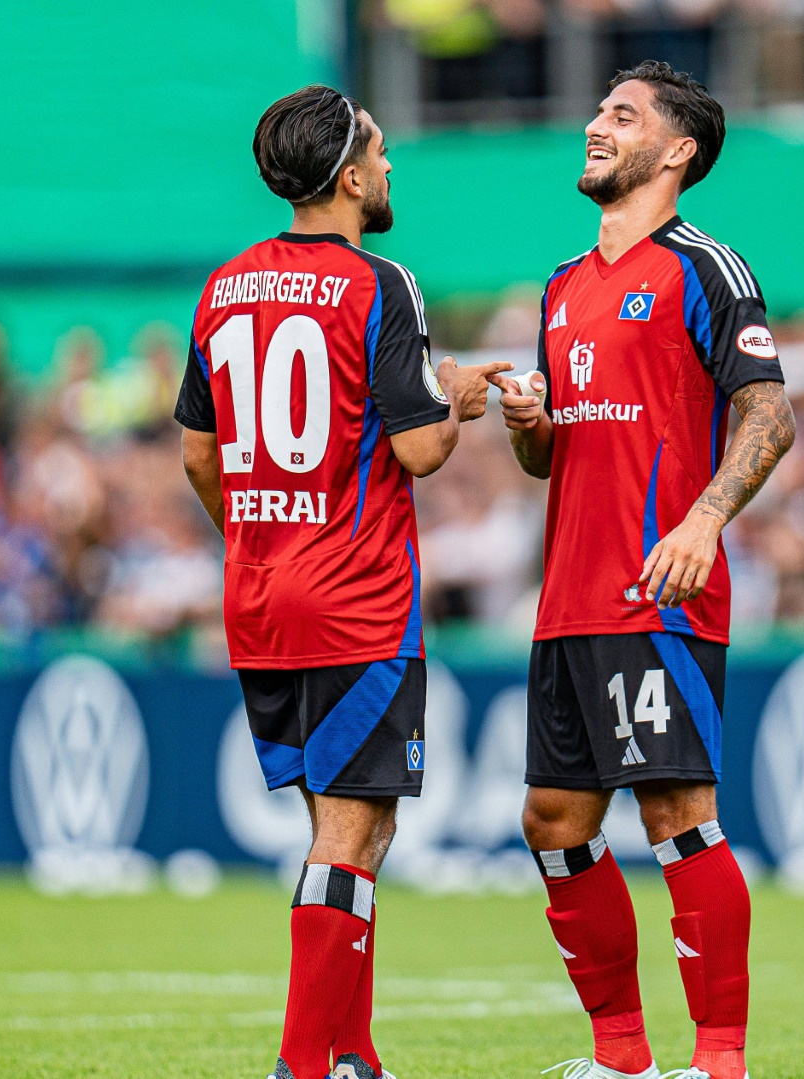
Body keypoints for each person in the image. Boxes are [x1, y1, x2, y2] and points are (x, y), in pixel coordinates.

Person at [175, 84, 509, 1079]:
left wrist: (259, 540)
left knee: (345, 819)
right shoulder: (384, 284)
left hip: (260, 591)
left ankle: (352, 1052)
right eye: (383, 149)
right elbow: (417, 453)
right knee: (353, 827)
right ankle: (302, 1065)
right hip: (358, 595)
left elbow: (199, 455)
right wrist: (456, 404)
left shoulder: (224, 285)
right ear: (351, 176)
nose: (394, 162)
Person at [492, 61, 796, 1079]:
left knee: (677, 814)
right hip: (567, 598)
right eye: (598, 110)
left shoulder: (705, 267)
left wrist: (706, 518)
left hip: (658, 593)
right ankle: (620, 1057)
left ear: (677, 152)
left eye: (622, 116)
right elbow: (552, 458)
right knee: (553, 820)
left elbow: (772, 411)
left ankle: (719, 1062)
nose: (594, 125)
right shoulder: (563, 287)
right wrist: (531, 428)